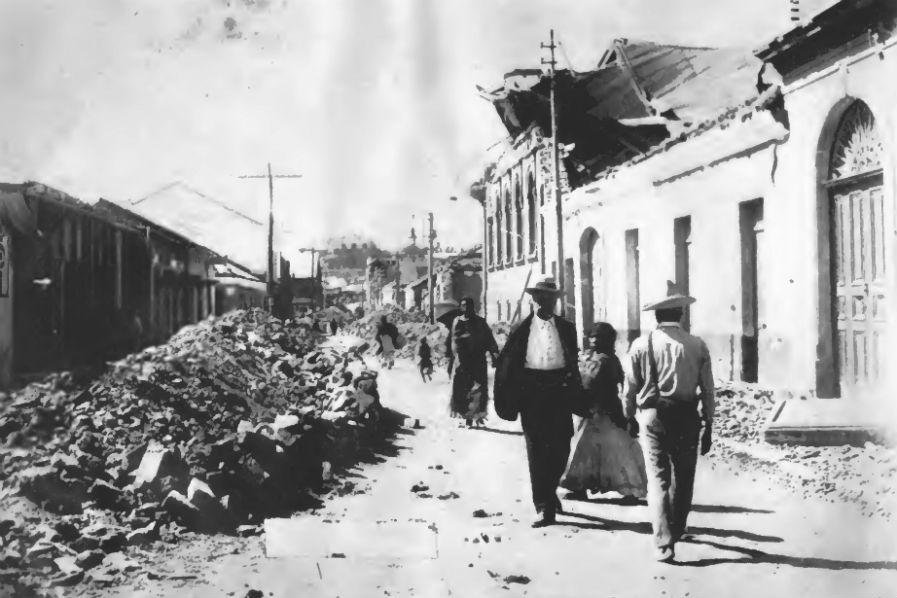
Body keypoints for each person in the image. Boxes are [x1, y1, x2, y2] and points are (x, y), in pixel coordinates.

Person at [624, 282, 715, 562]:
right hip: (687, 415)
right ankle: (677, 528)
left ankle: (664, 544)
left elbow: (629, 388)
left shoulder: (640, 345)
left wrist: (629, 416)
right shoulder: (697, 345)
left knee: (658, 479)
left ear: (656, 316)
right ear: (682, 314)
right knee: (684, 478)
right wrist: (708, 424)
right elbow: (708, 391)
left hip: (653, 416)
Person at [493, 276, 588, 527]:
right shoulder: (519, 329)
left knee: (561, 447)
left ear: (556, 301)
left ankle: (549, 490)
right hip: (531, 394)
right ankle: (543, 506)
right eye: (538, 297)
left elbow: (573, 364)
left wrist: (578, 394)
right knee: (537, 450)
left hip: (559, 392)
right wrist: (509, 397)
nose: (542, 302)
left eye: (548, 298)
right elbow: (506, 365)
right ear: (532, 300)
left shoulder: (567, 329)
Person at [560, 322, 647, 502]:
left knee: (618, 452)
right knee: (583, 452)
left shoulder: (610, 361)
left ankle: (630, 491)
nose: (593, 340)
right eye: (592, 336)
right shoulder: (583, 357)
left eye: (598, 337)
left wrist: (624, 414)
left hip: (607, 412)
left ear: (608, 340)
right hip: (587, 411)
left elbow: (619, 388)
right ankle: (579, 487)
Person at [447, 297, 499, 427]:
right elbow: (453, 340)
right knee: (462, 388)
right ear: (461, 307)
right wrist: (452, 358)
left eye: (469, 305)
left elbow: (489, 338)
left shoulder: (481, 322)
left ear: (473, 307)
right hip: (462, 361)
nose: (467, 308)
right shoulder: (457, 321)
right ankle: (465, 416)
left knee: (479, 388)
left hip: (478, 360)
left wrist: (494, 354)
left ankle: (478, 415)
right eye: (464, 305)